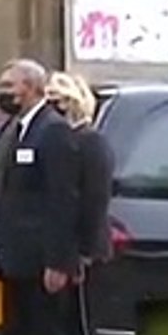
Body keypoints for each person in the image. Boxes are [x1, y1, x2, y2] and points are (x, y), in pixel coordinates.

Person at [0, 58, 84, 335]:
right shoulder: (20, 129)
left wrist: (58, 261)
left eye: (9, 86)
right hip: (17, 260)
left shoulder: (53, 131)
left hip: (40, 262)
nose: (2, 92)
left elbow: (63, 199)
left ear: (31, 88)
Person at [45, 72, 114, 273]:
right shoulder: (63, 139)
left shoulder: (90, 142)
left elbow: (95, 198)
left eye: (53, 101)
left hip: (86, 254)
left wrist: (83, 253)